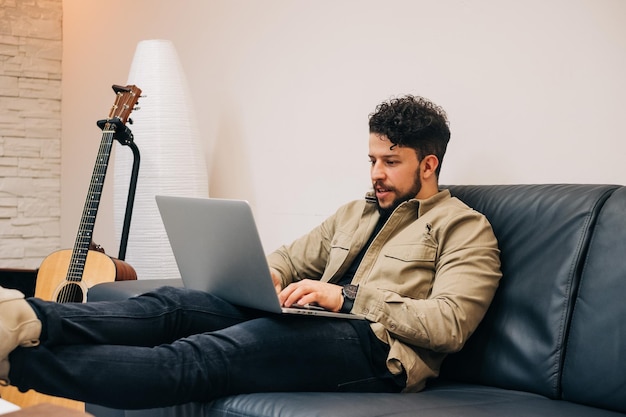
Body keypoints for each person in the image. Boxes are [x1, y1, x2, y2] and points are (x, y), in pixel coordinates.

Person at [0, 95, 501, 410]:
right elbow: (288, 258)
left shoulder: (465, 228)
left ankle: (14, 367)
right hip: (311, 321)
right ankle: (21, 318)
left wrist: (345, 298)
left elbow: (449, 326)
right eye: (372, 159)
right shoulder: (356, 211)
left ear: (429, 164)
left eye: (390, 162)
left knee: (199, 357)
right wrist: (264, 278)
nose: (375, 173)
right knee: (173, 304)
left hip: (374, 349)